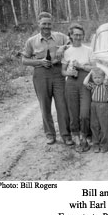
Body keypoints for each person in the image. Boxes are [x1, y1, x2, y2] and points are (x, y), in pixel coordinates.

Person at [22, 12, 72, 145]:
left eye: (49, 23)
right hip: (41, 74)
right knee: (45, 106)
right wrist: (39, 62)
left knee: (62, 105)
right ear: (39, 24)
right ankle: (50, 135)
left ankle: (66, 135)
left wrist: (63, 48)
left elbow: (73, 43)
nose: (46, 26)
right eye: (44, 23)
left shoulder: (60, 37)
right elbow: (24, 60)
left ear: (52, 24)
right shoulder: (31, 41)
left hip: (58, 73)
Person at [61, 23, 93, 153]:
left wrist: (81, 66)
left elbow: (94, 68)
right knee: (73, 113)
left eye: (80, 34)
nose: (78, 37)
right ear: (71, 36)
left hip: (85, 82)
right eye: (75, 34)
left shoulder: (88, 50)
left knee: (84, 113)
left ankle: (85, 136)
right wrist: (69, 73)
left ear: (83, 36)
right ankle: (76, 138)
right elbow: (63, 71)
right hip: (71, 83)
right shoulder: (67, 52)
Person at [83, 68, 108, 153]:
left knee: (104, 126)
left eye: (99, 77)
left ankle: (104, 145)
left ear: (103, 78)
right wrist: (90, 73)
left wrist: (105, 71)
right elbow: (84, 83)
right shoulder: (93, 85)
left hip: (103, 105)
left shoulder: (105, 85)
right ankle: (96, 144)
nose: (97, 80)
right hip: (94, 105)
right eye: (95, 78)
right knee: (94, 125)